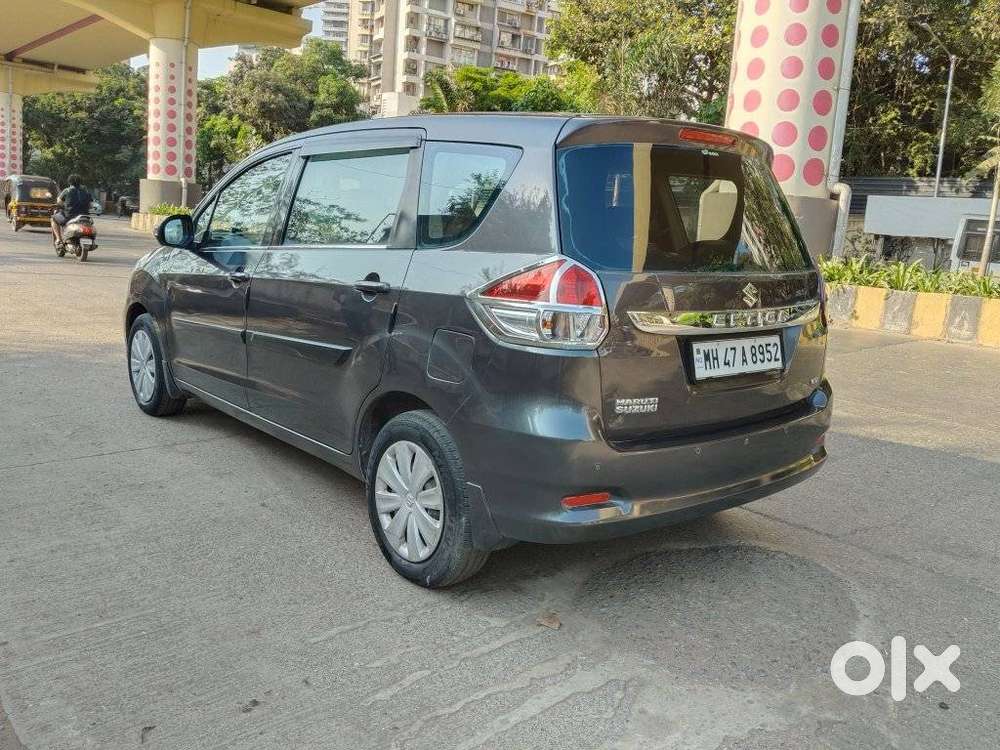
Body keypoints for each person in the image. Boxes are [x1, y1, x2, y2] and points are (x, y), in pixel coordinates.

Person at [52, 174, 92, 247]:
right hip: (85, 217)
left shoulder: (67, 190)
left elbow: (59, 202)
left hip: (70, 216)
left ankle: (58, 239)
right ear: (80, 182)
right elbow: (90, 205)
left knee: (54, 219)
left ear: (69, 182)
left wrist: (64, 205)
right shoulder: (86, 192)